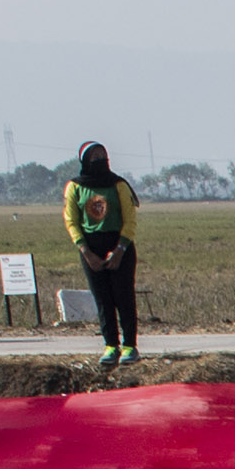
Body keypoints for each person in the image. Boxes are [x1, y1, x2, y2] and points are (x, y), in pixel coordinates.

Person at [62, 143, 140, 368]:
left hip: (119, 245)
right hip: (90, 248)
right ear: (85, 160)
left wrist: (120, 249)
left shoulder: (118, 185)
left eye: (103, 155)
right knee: (103, 298)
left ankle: (129, 346)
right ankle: (110, 345)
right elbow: (71, 221)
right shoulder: (75, 187)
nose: (100, 159)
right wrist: (85, 251)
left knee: (123, 297)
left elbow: (130, 219)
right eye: (94, 156)